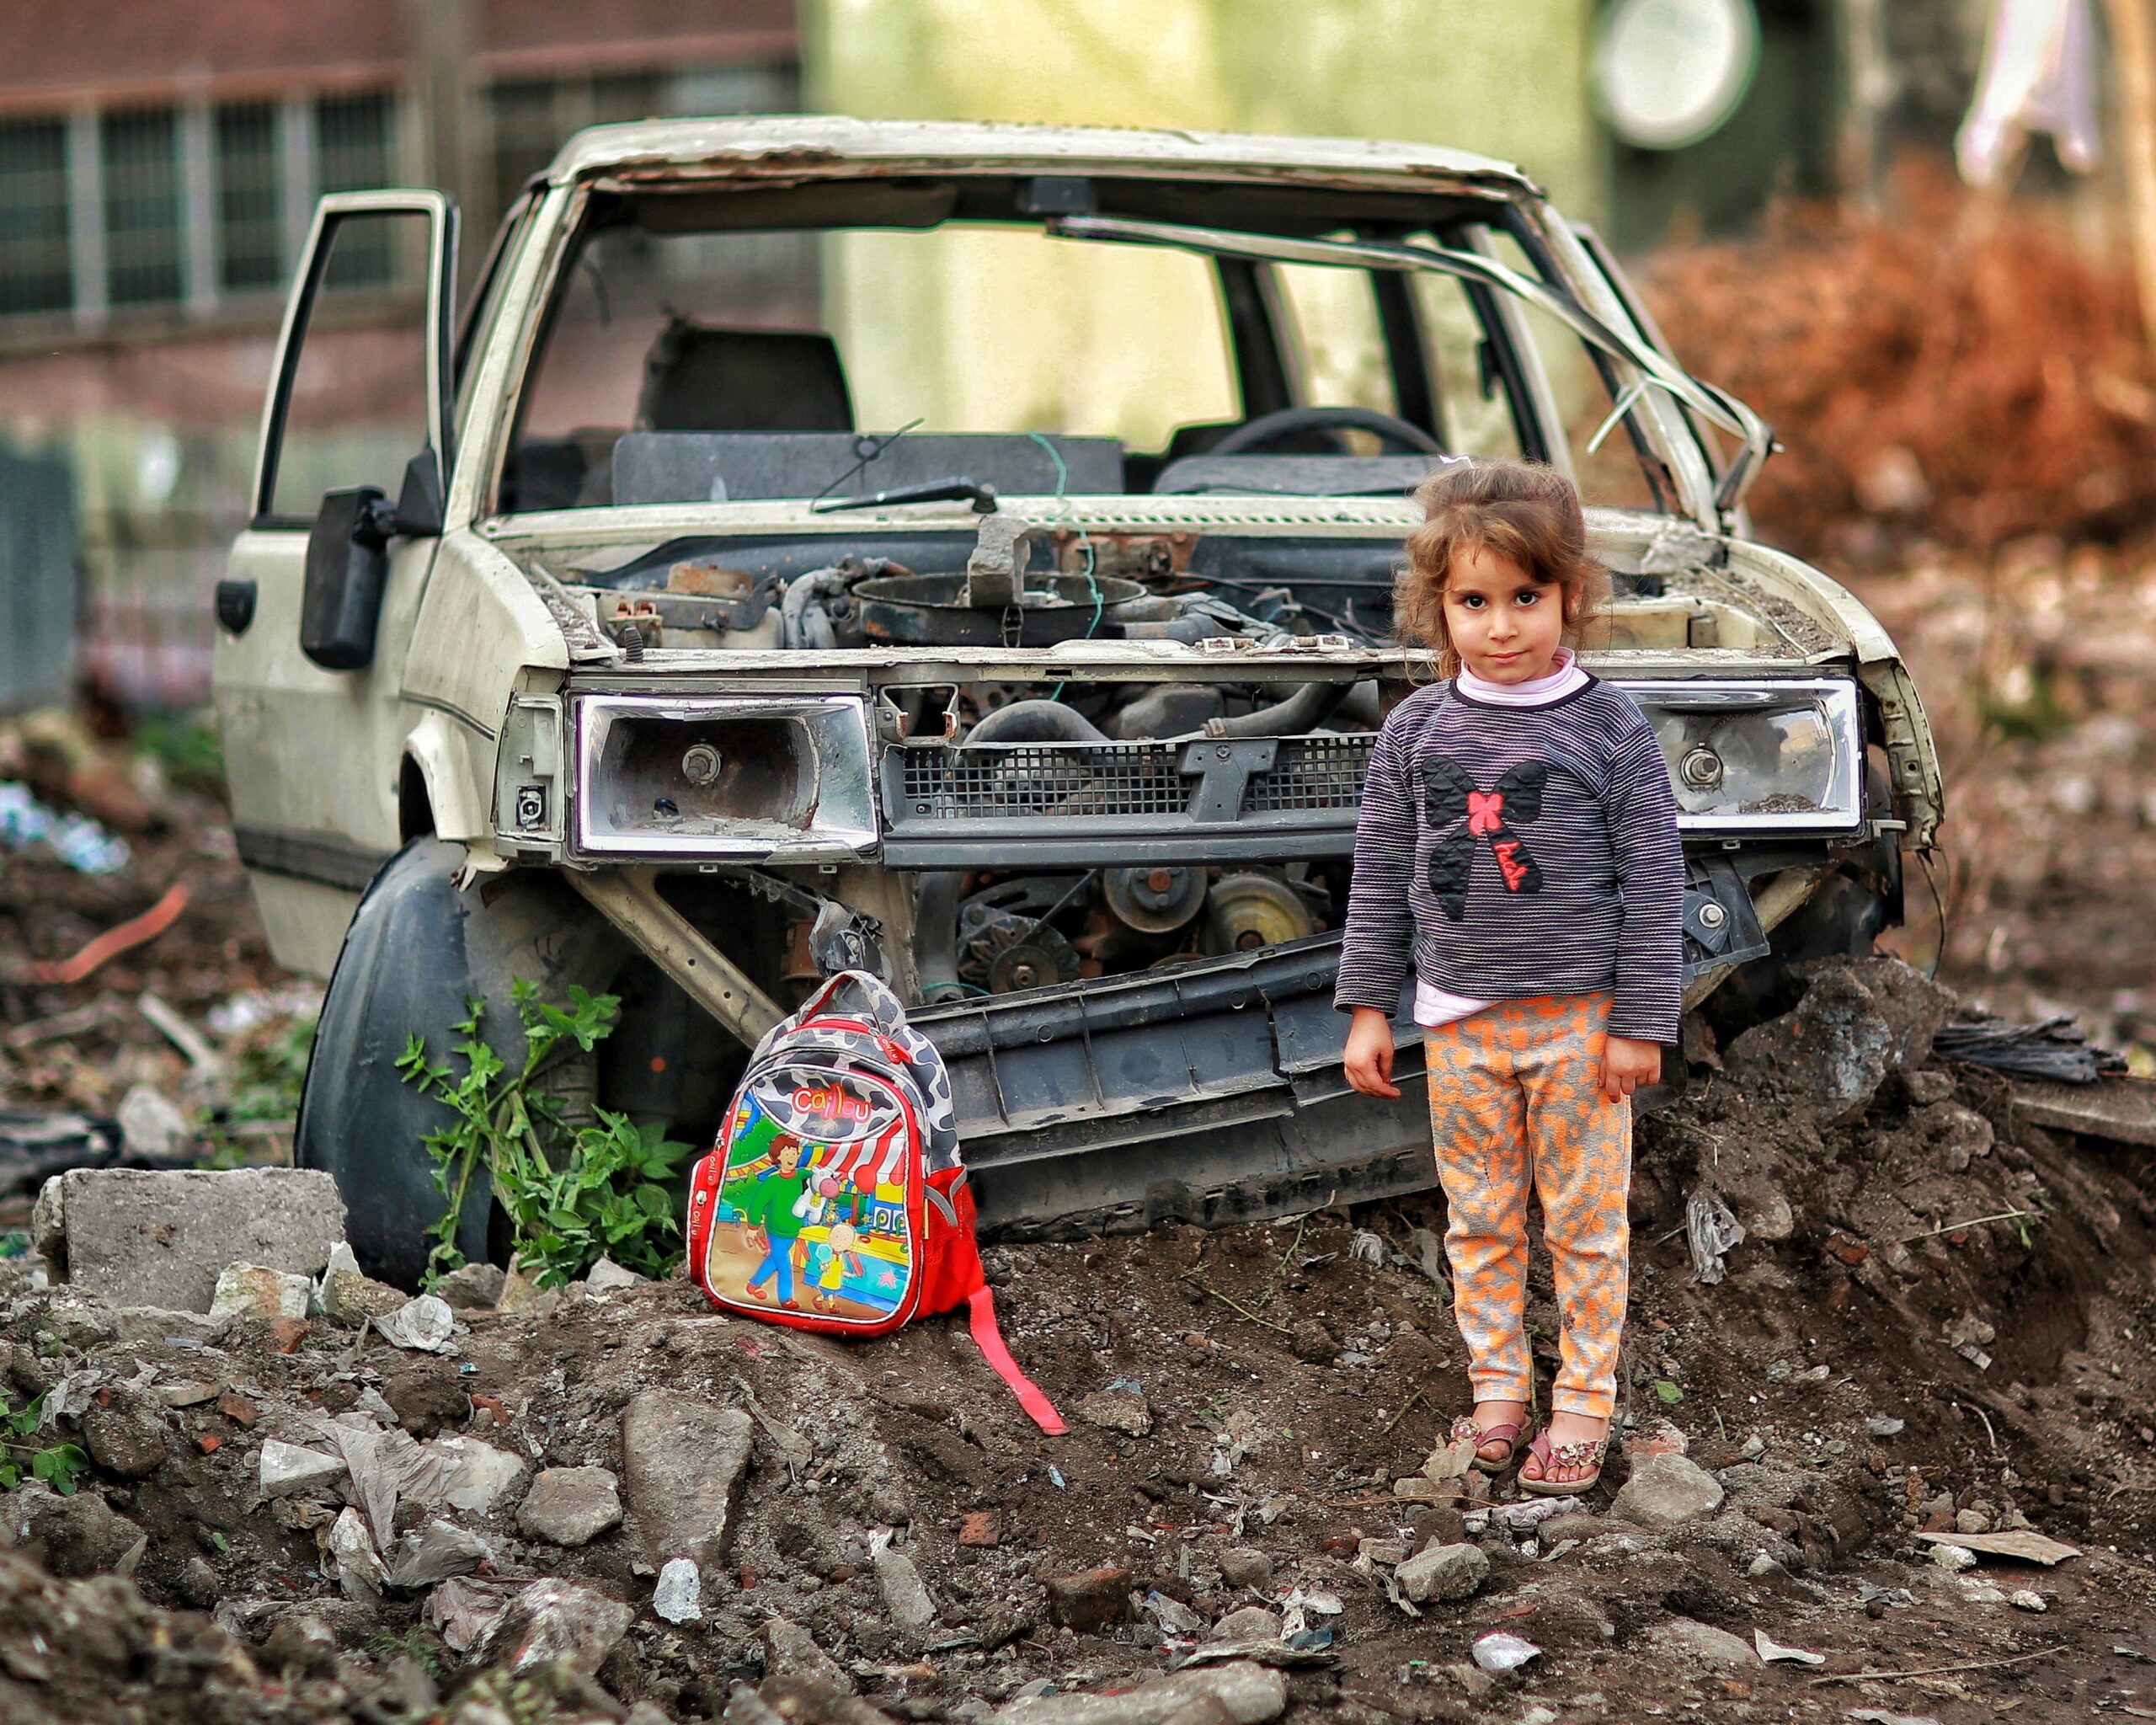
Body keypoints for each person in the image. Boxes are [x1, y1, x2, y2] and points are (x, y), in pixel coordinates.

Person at [1336, 460, 1682, 1495]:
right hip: (1458, 1028)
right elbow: (1381, 876)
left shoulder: (1607, 727)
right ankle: (1497, 1390)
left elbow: (1656, 877)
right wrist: (1366, 1008)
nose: (1500, 625)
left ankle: (1581, 1401)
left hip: (1580, 1024)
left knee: (1582, 1220)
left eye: (1524, 598)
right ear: (1438, 608)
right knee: (1479, 1215)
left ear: (1569, 594)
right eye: (1473, 601)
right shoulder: (1415, 731)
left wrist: (1642, 1019)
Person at [727, 1135, 814, 1310]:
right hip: (775, 1230)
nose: (791, 1157)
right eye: (786, 1153)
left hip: (792, 1230)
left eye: (794, 1153)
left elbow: (819, 1177)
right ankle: (786, 1299)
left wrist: (831, 1179)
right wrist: (753, 1226)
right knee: (784, 1265)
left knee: (774, 1260)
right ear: (778, 1157)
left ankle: (753, 1286)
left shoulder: (801, 1176)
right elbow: (757, 1204)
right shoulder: (773, 1182)